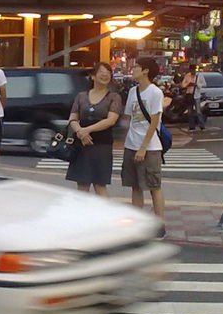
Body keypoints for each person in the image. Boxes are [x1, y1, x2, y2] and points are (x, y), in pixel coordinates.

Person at [67, 62, 123, 197]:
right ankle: (83, 216)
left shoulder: (114, 97)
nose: (105, 75)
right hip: (82, 145)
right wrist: (80, 132)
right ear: (93, 76)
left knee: (99, 185)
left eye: (108, 73)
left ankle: (104, 217)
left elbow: (111, 120)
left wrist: (87, 130)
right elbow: (72, 118)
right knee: (82, 185)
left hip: (102, 145)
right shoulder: (81, 96)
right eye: (101, 72)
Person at [122, 58, 165, 221]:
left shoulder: (155, 92)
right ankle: (137, 222)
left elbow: (155, 122)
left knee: (154, 186)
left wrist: (143, 147)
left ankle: (159, 223)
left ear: (146, 70)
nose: (133, 69)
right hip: (131, 144)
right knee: (135, 186)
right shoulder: (133, 92)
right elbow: (130, 118)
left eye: (136, 67)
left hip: (150, 147)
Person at [180, 64, 205, 131]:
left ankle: (201, 125)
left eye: (193, 70)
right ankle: (192, 126)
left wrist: (197, 85)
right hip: (189, 95)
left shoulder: (199, 76)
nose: (192, 72)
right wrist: (188, 85)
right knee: (190, 112)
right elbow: (182, 85)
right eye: (191, 70)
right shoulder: (187, 76)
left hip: (196, 95)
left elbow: (204, 84)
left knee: (198, 111)